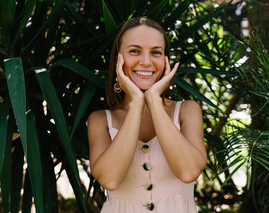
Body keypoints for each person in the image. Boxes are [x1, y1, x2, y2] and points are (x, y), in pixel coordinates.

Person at [88, 17, 207, 212]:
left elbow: (188, 172)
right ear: (118, 58)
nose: (146, 61)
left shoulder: (187, 111)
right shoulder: (100, 120)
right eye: (134, 51)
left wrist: (153, 99)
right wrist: (136, 102)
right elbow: (110, 179)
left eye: (156, 53)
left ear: (165, 60)